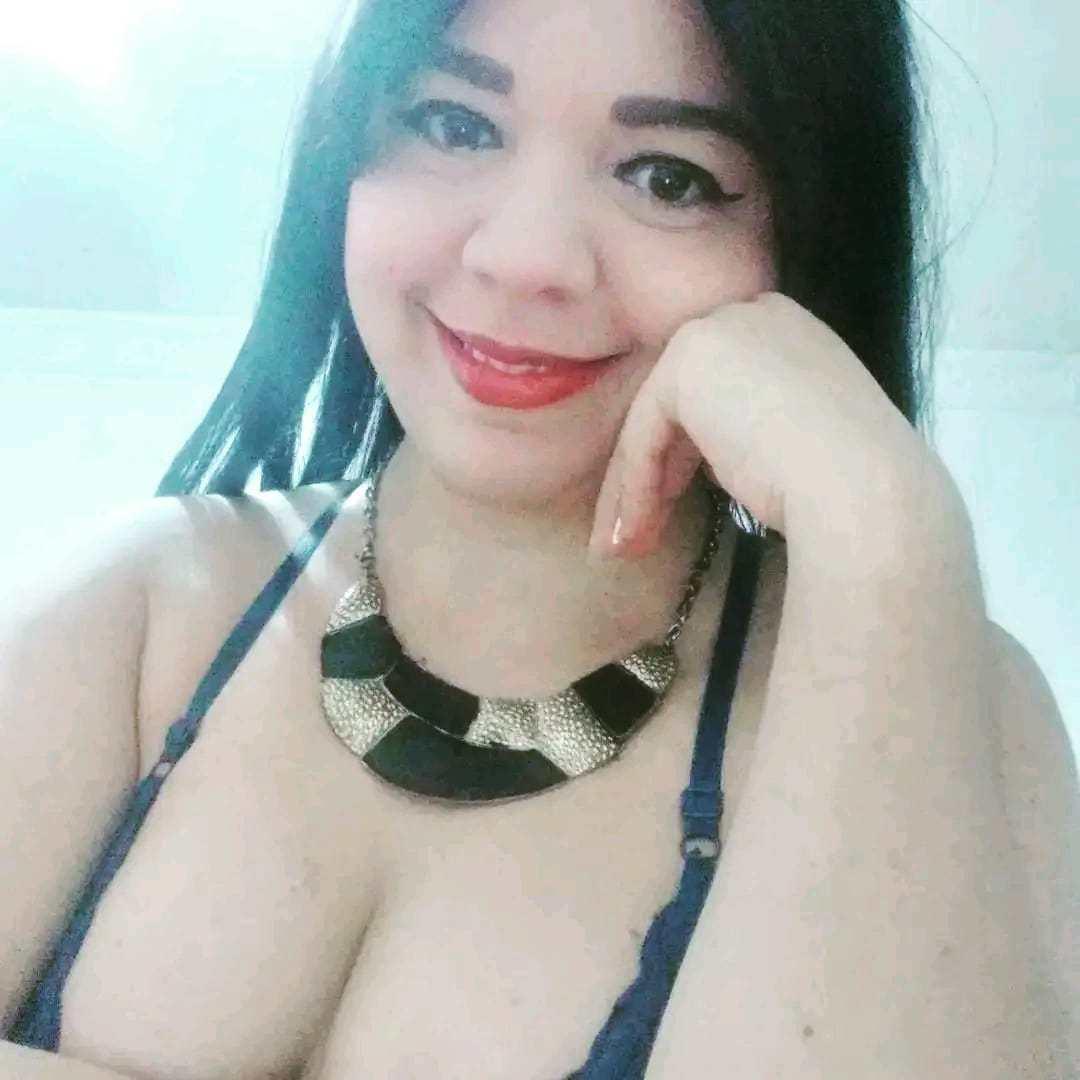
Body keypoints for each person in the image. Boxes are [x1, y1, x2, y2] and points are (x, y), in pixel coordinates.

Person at [2, 0, 1077, 1076]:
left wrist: (885, 532)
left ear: (808, 240)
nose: (524, 258)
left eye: (669, 178)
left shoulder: (943, 687)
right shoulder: (148, 601)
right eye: (455, 123)